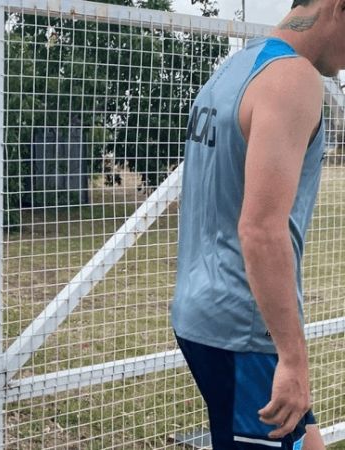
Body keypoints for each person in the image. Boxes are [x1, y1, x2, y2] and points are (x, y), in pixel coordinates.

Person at [170, 1, 345, 448]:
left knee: (307, 440)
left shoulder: (237, 68)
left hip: (204, 310)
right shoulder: (294, 78)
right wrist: (292, 357)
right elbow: (261, 230)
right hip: (246, 328)